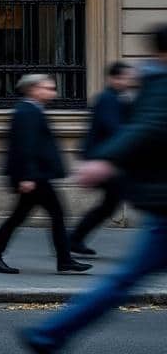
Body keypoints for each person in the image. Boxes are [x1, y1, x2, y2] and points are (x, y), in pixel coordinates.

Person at [21, 24, 167, 353]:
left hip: (152, 198)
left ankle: (50, 332)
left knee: (123, 278)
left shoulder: (146, 85)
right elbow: (144, 128)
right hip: (159, 202)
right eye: (46, 86)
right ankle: (49, 332)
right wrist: (105, 160)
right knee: (123, 278)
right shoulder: (154, 87)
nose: (51, 90)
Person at [0, 73, 91, 275]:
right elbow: (25, 146)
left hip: (36, 175)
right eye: (48, 88)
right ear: (33, 89)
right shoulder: (27, 112)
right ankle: (64, 260)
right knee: (54, 214)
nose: (53, 92)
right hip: (34, 177)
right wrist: (27, 176)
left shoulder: (32, 110)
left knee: (21, 217)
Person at [69, 61, 137, 256]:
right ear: (113, 78)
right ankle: (74, 239)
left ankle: (74, 239)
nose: (128, 81)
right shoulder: (107, 98)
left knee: (109, 204)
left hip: (109, 160)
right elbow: (113, 128)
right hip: (104, 160)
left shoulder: (119, 98)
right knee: (120, 201)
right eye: (124, 77)